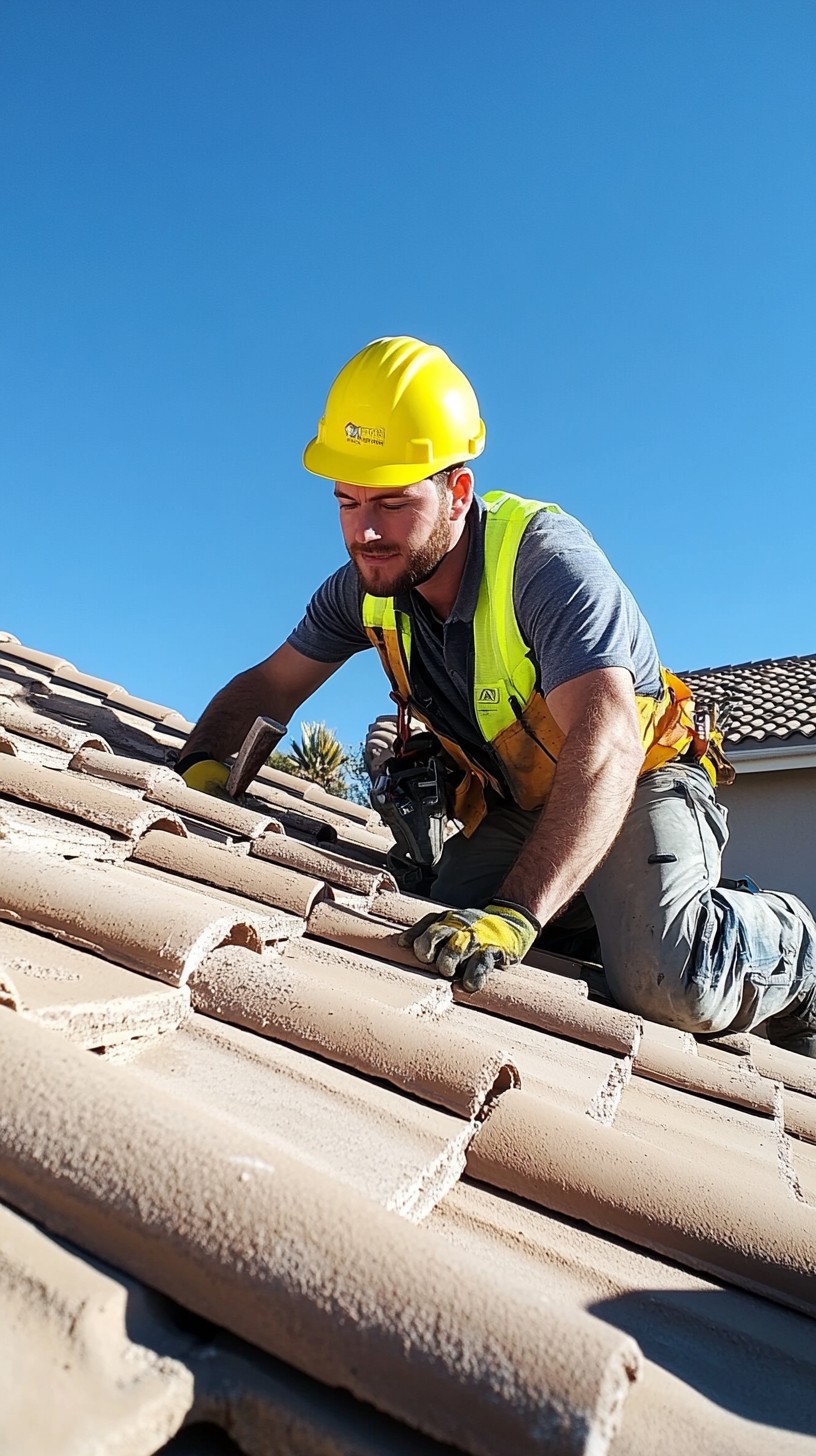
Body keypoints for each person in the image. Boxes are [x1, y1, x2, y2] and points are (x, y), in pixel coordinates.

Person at [176, 336, 816, 1058]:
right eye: (348, 502)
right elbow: (268, 684)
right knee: (429, 927)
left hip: (638, 779)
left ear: (457, 492)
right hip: (526, 806)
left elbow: (607, 742)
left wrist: (514, 913)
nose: (367, 530)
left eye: (392, 499)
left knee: (665, 982)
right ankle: (589, 905)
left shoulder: (544, 563)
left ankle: (790, 945)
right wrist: (201, 775)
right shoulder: (363, 590)